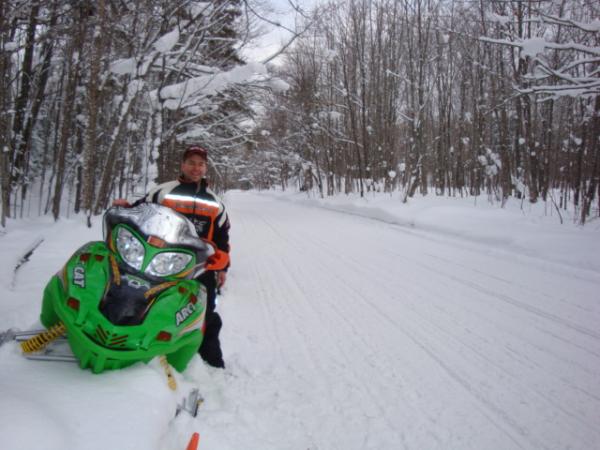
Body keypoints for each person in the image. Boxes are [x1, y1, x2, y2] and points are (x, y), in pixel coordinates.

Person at [113, 145, 230, 368]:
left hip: (199, 267)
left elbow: (223, 235)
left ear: (205, 168)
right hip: (162, 262)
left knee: (205, 311)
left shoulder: (215, 201)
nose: (196, 168)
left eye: (201, 164)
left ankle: (210, 362)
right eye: (192, 163)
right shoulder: (163, 191)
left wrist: (223, 265)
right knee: (149, 303)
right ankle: (135, 345)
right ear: (183, 165)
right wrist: (125, 207)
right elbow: (140, 211)